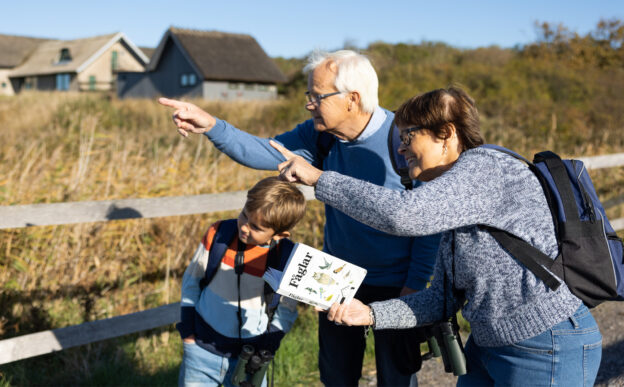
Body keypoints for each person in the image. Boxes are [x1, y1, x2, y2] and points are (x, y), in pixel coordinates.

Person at [272, 87, 603, 386]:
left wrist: (319, 179)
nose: (401, 150)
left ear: (446, 133)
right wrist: (370, 313)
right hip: (487, 347)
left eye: (407, 137)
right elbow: (441, 299)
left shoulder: (485, 167)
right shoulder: (456, 201)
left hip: (546, 344)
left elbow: (404, 215)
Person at [160, 50, 440, 386]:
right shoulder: (320, 135)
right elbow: (263, 151)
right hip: (337, 282)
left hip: (397, 283)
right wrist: (212, 126)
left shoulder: (404, 142)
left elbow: (428, 221)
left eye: (316, 96)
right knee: (337, 377)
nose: (309, 104)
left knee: (397, 379)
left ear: (352, 99)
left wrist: (414, 286)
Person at [177, 177, 307, 387]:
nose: (245, 227)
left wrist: (267, 348)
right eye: (244, 215)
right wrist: (188, 334)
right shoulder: (219, 234)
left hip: (251, 359)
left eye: (255, 226)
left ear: (280, 235)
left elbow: (286, 309)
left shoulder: (286, 259)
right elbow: (192, 282)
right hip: (201, 351)